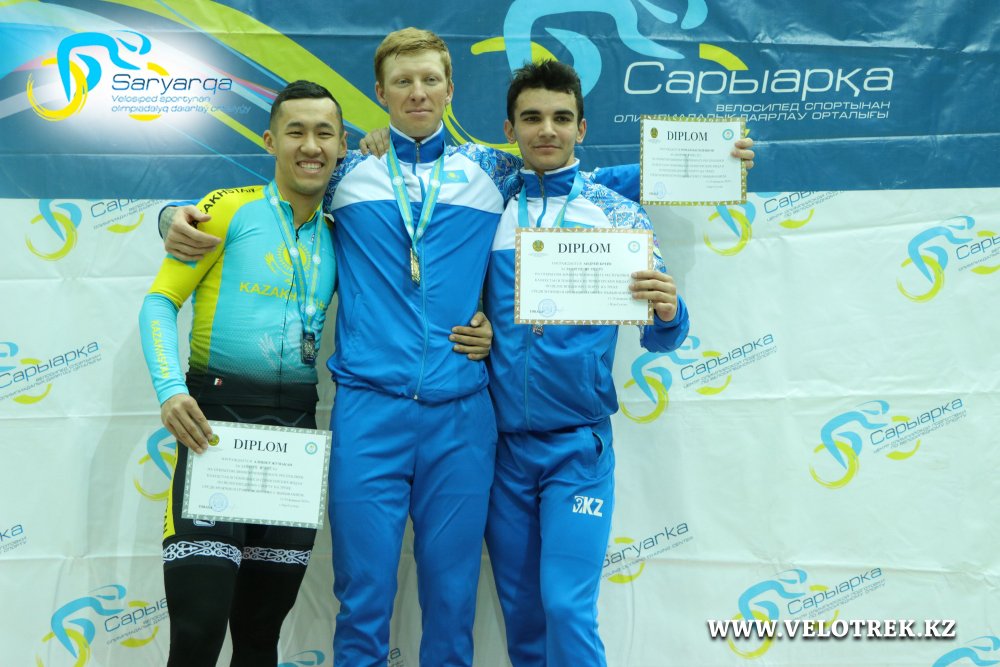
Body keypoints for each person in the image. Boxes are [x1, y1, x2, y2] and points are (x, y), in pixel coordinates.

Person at [481, 60, 692, 667]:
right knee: (522, 614)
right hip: (498, 448)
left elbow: (663, 334)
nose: (547, 130)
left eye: (561, 118)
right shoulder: (487, 206)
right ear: (510, 129)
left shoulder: (617, 214)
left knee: (567, 607)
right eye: (532, 118)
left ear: (582, 127)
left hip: (577, 448)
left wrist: (669, 311)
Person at [137, 80, 344, 667]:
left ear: (340, 146)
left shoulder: (343, 231)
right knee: (198, 633)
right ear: (270, 141)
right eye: (296, 131)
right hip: (214, 432)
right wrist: (169, 390)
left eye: (324, 133)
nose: (311, 146)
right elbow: (159, 303)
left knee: (259, 638)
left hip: (294, 443)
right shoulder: (227, 208)